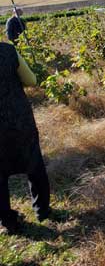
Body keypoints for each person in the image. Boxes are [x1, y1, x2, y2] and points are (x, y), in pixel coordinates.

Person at [0, 42, 50, 233]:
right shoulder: (8, 50)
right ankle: (42, 211)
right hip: (18, 119)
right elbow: (31, 80)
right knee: (34, 164)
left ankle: (8, 222)